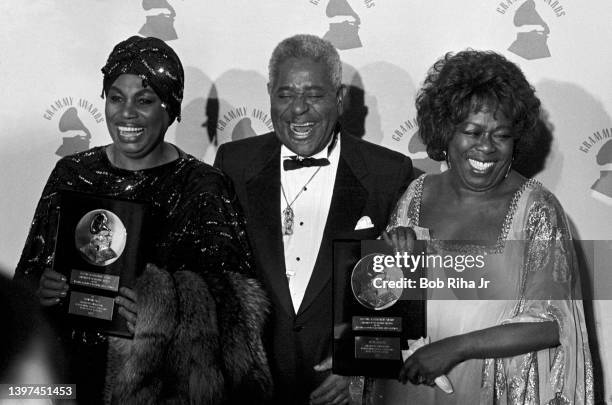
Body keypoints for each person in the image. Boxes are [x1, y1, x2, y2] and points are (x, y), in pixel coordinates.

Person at [14, 36, 271, 404]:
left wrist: (159, 312)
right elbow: (25, 283)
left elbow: (236, 314)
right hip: (65, 383)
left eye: (145, 100)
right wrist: (41, 290)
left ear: (171, 108)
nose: (126, 113)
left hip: (156, 390)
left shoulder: (203, 187)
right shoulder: (71, 173)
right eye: (116, 98)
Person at [381, 50, 593, 404]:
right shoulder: (415, 195)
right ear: (445, 130)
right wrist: (389, 256)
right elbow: (385, 297)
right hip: (409, 386)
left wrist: (456, 348)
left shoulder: (537, 209)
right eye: (472, 131)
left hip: (486, 391)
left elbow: (556, 324)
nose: (486, 147)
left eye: (502, 135)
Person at [214, 34, 413, 405]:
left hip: (339, 392)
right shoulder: (233, 165)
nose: (298, 109)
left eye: (315, 95)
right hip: (251, 388)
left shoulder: (389, 173)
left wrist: (361, 358)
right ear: (270, 95)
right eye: (285, 95)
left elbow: (404, 287)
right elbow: (216, 276)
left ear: (339, 100)